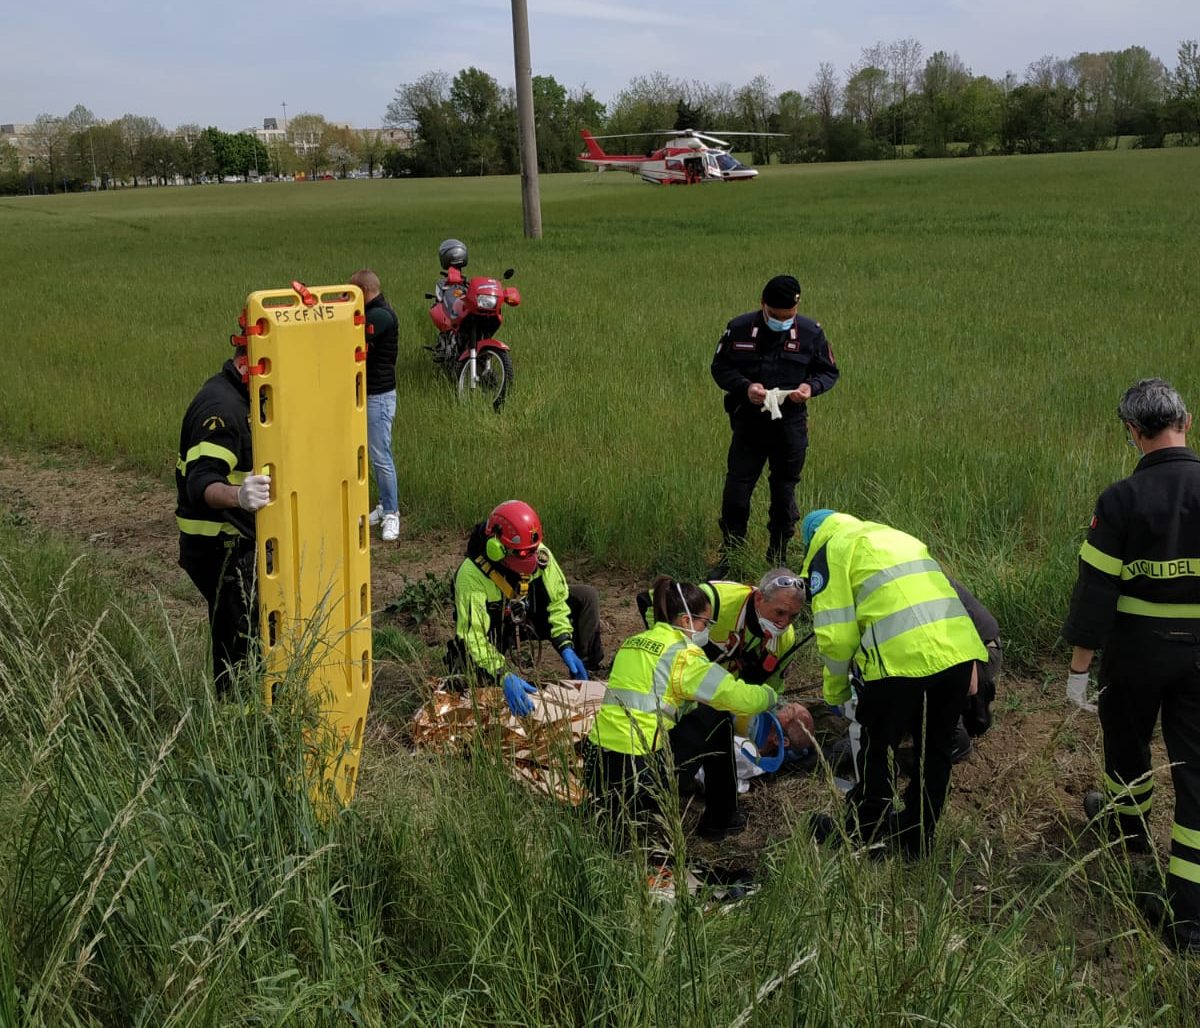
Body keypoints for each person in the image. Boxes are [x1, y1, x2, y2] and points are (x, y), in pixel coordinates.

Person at [1062, 378, 1200, 952]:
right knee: (1195, 774)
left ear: (1132, 433)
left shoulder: (1119, 499)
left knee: (1126, 741)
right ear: (1185, 422)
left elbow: (1094, 594)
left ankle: (1127, 828)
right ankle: (1190, 918)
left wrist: (1078, 672)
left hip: (1136, 653)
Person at [800, 509, 986, 857]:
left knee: (878, 748)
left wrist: (837, 692)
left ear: (812, 540)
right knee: (935, 750)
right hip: (956, 653)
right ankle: (918, 840)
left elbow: (836, 637)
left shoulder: (830, 550)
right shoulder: (896, 537)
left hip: (899, 662)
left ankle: (865, 833)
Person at [586, 576, 779, 840]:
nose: (707, 630)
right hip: (639, 774)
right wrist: (769, 695)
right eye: (705, 623)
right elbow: (735, 696)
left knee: (695, 716)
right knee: (717, 718)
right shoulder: (684, 655)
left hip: (597, 765)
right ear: (686, 621)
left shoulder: (634, 642)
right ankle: (721, 819)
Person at [711, 274, 839, 570]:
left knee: (784, 493)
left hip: (790, 425)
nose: (781, 321)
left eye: (788, 316)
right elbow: (720, 368)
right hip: (749, 422)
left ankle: (778, 556)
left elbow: (828, 371)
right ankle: (731, 557)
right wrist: (746, 387)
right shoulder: (739, 328)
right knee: (737, 491)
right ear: (762, 305)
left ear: (797, 308)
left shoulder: (810, 333)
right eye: (775, 316)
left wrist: (810, 388)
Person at [175, 331, 271, 696]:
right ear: (249, 362)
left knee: (246, 632)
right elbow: (202, 484)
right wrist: (238, 496)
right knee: (238, 641)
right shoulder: (222, 409)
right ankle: (237, 718)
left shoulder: (242, 398)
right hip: (219, 550)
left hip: (233, 545)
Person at [446, 500, 604, 715]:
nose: (528, 566)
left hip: (528, 615)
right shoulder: (471, 575)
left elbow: (557, 601)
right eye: (521, 558)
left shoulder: (536, 552)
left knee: (586, 597)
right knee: (471, 684)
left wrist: (564, 642)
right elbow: (473, 636)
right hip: (495, 629)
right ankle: (493, 681)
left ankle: (585, 674)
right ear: (497, 549)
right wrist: (503, 674)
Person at [637, 568, 809, 691]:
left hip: (720, 695)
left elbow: (773, 687)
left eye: (793, 616)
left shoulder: (786, 639)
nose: (784, 623)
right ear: (759, 598)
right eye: (779, 612)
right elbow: (655, 602)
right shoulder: (715, 600)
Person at [351, 270, 401, 543]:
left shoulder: (379, 316)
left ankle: (392, 512)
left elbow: (349, 335)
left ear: (362, 290)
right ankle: (383, 505)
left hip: (378, 397)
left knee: (382, 456)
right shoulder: (374, 312)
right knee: (374, 454)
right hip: (369, 395)